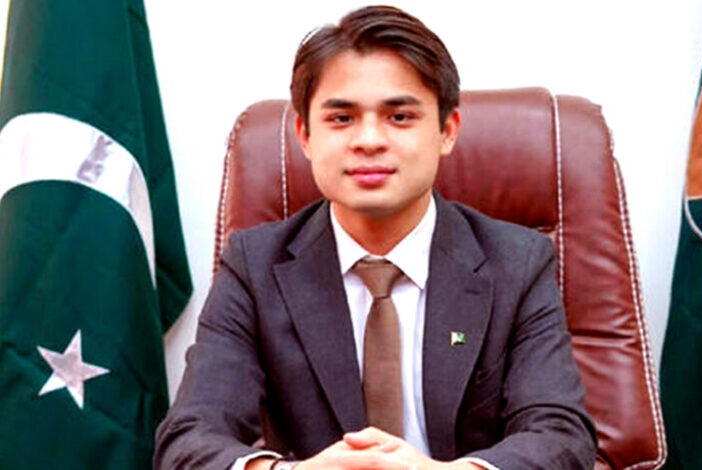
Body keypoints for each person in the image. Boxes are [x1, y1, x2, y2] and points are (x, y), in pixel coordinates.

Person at [155, 6, 596, 470]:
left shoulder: (517, 263)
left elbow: (560, 436)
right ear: (305, 135)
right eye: (341, 118)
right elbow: (188, 439)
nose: (368, 140)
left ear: (447, 131)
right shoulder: (255, 266)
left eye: (399, 116)